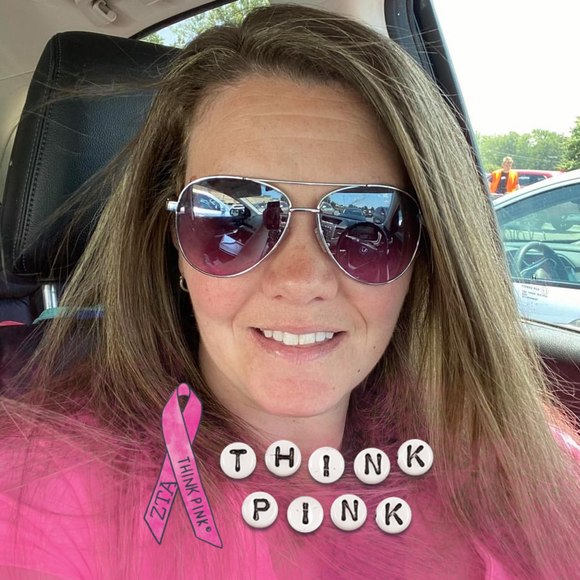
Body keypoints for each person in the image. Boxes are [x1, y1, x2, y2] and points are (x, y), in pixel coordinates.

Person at [1, 5, 579, 579]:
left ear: (424, 257)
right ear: (173, 239)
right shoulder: (41, 495)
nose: (301, 280)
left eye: (366, 224)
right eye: (232, 218)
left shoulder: (532, 467)